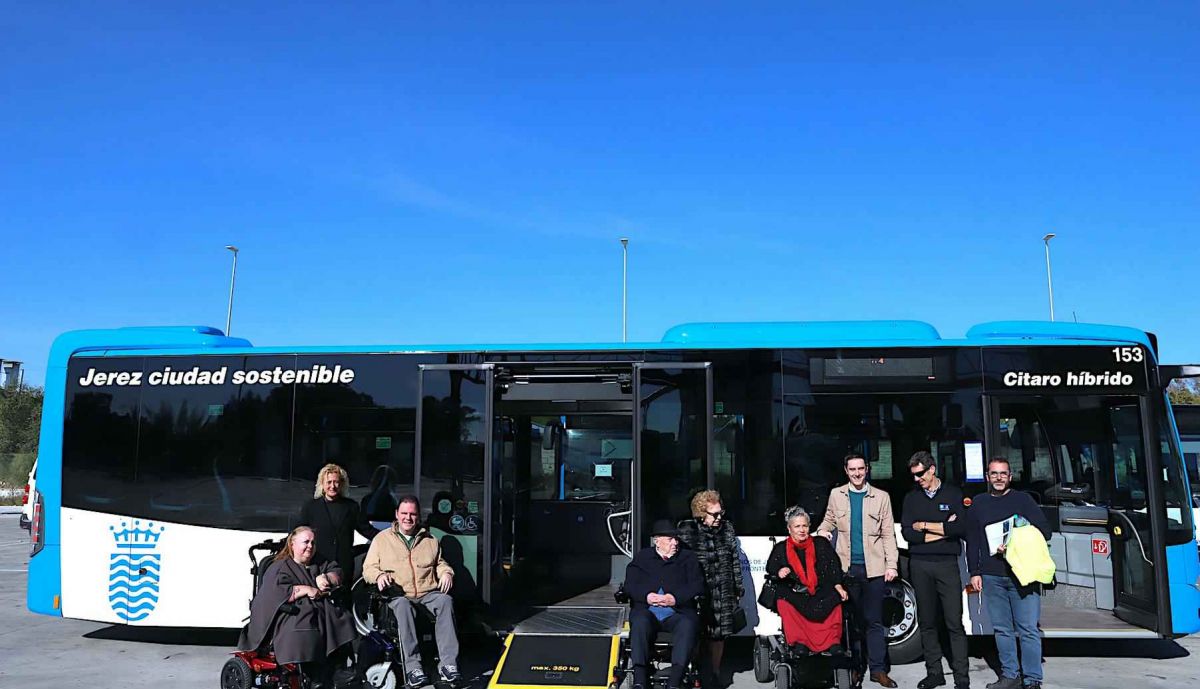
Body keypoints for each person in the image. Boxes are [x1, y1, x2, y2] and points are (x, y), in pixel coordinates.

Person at [966, 458, 1052, 689]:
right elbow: (972, 540)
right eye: (994, 474)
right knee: (1002, 630)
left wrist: (1017, 537)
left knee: (1028, 630)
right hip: (992, 576)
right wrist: (974, 572)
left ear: (1010, 477)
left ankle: (1033, 679)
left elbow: (1045, 532)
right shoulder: (978, 503)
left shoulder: (1023, 500)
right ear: (987, 477)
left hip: (1023, 574)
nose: (999, 478)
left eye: (1003, 473)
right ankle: (1010, 676)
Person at [817, 453, 899, 689]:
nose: (856, 473)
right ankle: (855, 669)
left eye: (860, 469)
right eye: (852, 469)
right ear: (846, 471)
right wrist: (822, 532)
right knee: (851, 624)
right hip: (847, 570)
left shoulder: (882, 497)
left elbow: (887, 534)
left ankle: (878, 670)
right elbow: (828, 520)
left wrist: (891, 565)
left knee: (874, 621)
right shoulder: (836, 495)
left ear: (867, 469)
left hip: (874, 570)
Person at [239, 526, 357, 687]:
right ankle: (312, 674)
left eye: (313, 543)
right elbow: (274, 593)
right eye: (306, 542)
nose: (310, 546)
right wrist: (306, 589)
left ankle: (337, 669)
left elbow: (337, 573)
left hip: (321, 609)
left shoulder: (319, 562)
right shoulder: (280, 567)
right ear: (292, 544)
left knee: (342, 618)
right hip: (289, 612)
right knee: (306, 620)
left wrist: (327, 578)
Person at [362, 495, 460, 688]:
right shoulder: (382, 540)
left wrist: (447, 573)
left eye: (412, 514)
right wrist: (380, 576)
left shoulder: (430, 540)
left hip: (426, 593)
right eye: (404, 513)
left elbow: (440, 564)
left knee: (445, 601)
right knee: (403, 606)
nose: (408, 518)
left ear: (418, 516)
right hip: (399, 594)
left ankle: (448, 665)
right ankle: (414, 667)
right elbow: (368, 569)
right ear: (397, 515)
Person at [901, 451, 970, 689]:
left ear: (932, 469)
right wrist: (942, 529)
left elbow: (960, 528)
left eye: (920, 474)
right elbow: (909, 534)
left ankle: (962, 678)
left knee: (954, 622)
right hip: (920, 565)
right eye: (913, 475)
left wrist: (926, 527)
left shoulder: (953, 494)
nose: (917, 479)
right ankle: (935, 673)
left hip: (947, 565)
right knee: (927, 622)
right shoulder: (911, 499)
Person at [625, 519, 705, 689]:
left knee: (688, 624)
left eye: (676, 538)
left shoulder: (688, 558)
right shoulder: (643, 557)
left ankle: (675, 680)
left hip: (677, 611)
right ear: (657, 540)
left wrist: (675, 598)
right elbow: (630, 585)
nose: (675, 542)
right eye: (670, 539)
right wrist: (646, 596)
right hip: (648, 611)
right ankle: (640, 678)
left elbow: (697, 585)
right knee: (639, 622)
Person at [676, 490, 745, 688]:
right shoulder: (687, 530)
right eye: (714, 514)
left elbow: (734, 561)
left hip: (722, 589)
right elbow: (680, 564)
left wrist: (737, 588)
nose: (719, 517)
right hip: (697, 591)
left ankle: (715, 672)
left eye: (720, 512)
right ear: (700, 513)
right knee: (694, 633)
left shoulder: (727, 528)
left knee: (719, 635)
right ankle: (694, 671)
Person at [766, 506, 849, 653]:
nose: (802, 530)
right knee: (783, 600)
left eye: (805, 525)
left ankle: (833, 641)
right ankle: (799, 642)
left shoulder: (821, 544)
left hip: (820, 590)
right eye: (797, 526)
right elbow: (771, 567)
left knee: (836, 596)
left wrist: (838, 585)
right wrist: (779, 572)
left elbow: (833, 566)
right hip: (795, 591)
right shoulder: (781, 548)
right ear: (789, 528)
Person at [298, 464, 376, 593]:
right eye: (329, 482)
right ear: (322, 484)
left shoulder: (351, 507)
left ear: (342, 484)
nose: (332, 486)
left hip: (343, 564)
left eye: (336, 482)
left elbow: (366, 529)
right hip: (317, 563)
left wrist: (388, 538)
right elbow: (298, 532)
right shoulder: (310, 507)